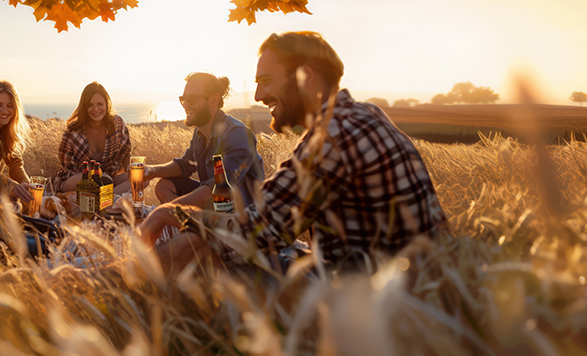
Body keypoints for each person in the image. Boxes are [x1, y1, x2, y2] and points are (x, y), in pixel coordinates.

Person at [140, 32, 447, 272]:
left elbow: (253, 231)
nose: (259, 95)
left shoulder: (331, 138)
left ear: (306, 77)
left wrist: (172, 212)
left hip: (375, 303)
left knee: (199, 246)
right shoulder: (366, 114)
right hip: (413, 283)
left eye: (267, 81)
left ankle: (118, 288)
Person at [131, 73, 264, 213]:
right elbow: (185, 165)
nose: (186, 105)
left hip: (241, 211)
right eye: (183, 99)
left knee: (167, 209)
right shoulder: (200, 132)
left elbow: (221, 186)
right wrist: (152, 170)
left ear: (213, 100)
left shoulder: (237, 134)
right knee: (164, 185)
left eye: (192, 99)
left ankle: (174, 217)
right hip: (213, 202)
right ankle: (184, 221)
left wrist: (165, 209)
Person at [50, 82, 132, 198]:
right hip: (78, 178)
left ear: (106, 104)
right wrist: (96, 175)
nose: (96, 109)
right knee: (102, 179)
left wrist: (132, 170)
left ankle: (105, 198)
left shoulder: (117, 124)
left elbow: (125, 154)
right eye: (90, 105)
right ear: (84, 107)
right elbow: (67, 167)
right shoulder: (73, 132)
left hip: (109, 179)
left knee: (141, 178)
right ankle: (108, 197)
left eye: (100, 104)